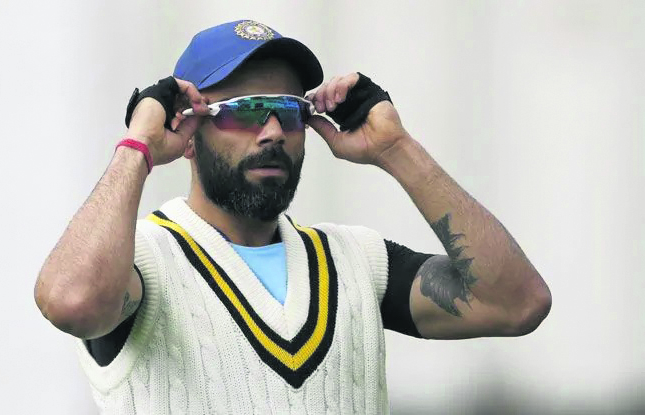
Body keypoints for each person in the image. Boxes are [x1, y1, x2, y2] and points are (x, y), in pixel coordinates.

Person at [34, 19, 551, 414]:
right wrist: (138, 146)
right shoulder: (143, 259)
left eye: (289, 111)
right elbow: (72, 302)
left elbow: (517, 303)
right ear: (185, 130)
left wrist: (396, 149)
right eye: (246, 110)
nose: (273, 132)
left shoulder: (356, 260)